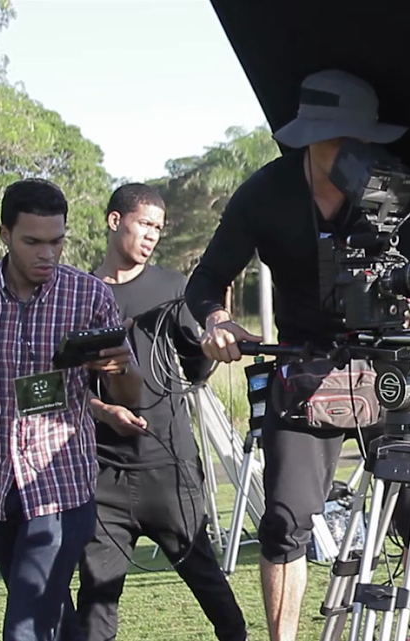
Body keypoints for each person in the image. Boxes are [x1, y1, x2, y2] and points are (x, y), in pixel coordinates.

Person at [185, 69, 410, 641]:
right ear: (308, 136)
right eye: (340, 138)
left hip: (394, 364)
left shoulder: (395, 189)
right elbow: (206, 280)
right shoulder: (265, 194)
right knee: (285, 522)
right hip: (306, 367)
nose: (353, 152)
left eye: (360, 139)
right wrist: (216, 320)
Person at [0, 178, 142, 641]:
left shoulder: (89, 296)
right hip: (0, 488)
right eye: (32, 242)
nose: (47, 254)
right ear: (4, 234)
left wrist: (119, 368)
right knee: (54, 617)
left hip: (63, 487)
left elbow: (130, 395)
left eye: (57, 241)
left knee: (24, 627)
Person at [76, 184, 248, 640]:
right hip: (103, 477)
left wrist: (212, 344)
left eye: (158, 227)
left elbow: (198, 370)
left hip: (169, 468)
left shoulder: (176, 288)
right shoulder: (78, 294)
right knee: (95, 605)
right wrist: (102, 410)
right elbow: (66, 388)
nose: (152, 234)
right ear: (115, 221)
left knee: (212, 590)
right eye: (144, 223)